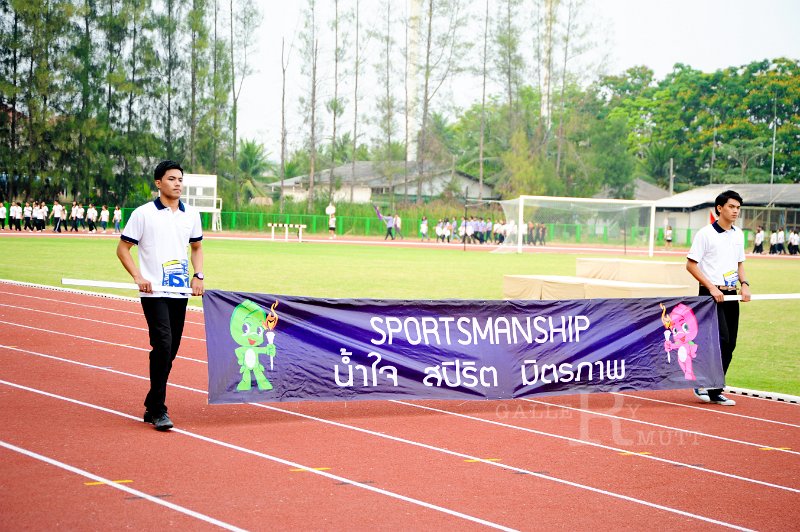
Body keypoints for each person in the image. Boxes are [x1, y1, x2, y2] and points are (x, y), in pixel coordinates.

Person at [116, 160, 204, 431]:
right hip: (154, 292)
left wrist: (198, 275)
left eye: (180, 179)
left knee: (171, 350)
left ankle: (152, 402)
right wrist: (138, 277)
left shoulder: (191, 215)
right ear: (158, 183)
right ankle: (158, 409)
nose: (177, 183)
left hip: (179, 292)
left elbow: (197, 248)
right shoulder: (143, 214)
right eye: (171, 179)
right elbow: (122, 249)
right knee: (163, 345)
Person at [686, 190, 750, 407]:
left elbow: (740, 263)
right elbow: (691, 264)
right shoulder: (705, 234)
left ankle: (715, 390)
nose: (735, 211)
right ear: (720, 208)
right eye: (732, 207)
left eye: (738, 208)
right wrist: (712, 288)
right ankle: (701, 381)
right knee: (719, 340)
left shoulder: (738, 234)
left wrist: (745, 284)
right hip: (710, 295)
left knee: (730, 343)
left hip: (731, 295)